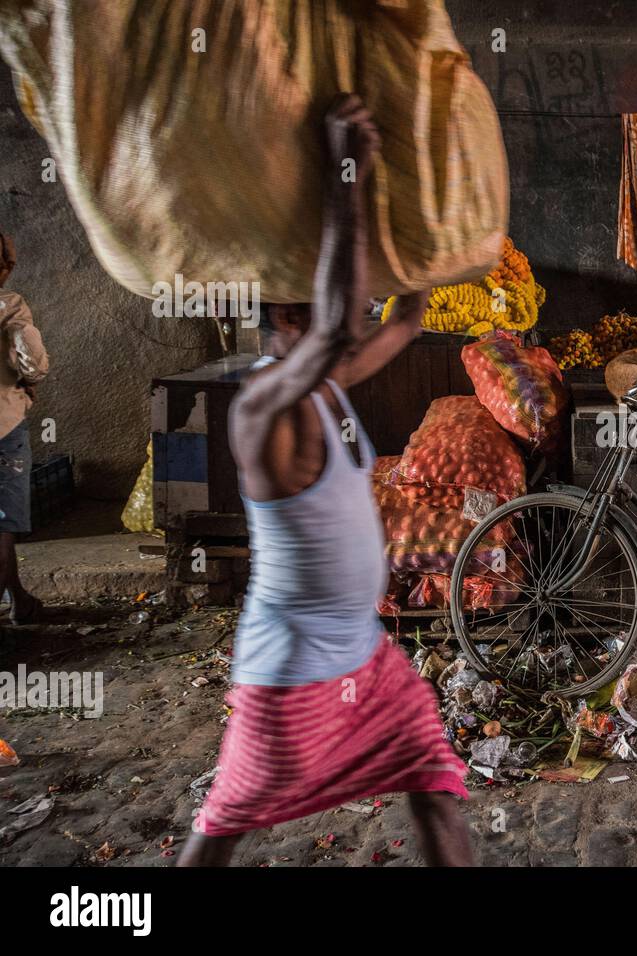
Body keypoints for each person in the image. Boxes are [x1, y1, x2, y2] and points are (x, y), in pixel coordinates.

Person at [179, 95, 472, 866]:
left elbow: (404, 319)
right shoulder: (262, 404)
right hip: (291, 679)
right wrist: (346, 170)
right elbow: (345, 324)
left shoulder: (328, 381)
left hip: (365, 660)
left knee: (437, 782)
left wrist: (420, 206)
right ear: (286, 311)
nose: (348, 298)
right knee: (222, 827)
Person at [0, 232, 50, 625]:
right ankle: (17, 600)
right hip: (4, 424)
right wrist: (29, 379)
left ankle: (17, 597)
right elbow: (32, 361)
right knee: (3, 521)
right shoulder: (10, 305)